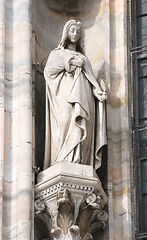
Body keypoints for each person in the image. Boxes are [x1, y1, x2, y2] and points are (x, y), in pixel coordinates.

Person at [43, 19, 107, 170]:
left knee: (81, 128)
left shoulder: (84, 58)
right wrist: (70, 63)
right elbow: (48, 71)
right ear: (66, 33)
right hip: (64, 98)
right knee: (66, 123)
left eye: (78, 32)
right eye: (72, 31)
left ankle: (79, 161)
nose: (75, 34)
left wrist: (98, 91)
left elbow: (91, 78)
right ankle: (62, 158)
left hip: (83, 97)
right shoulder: (57, 54)